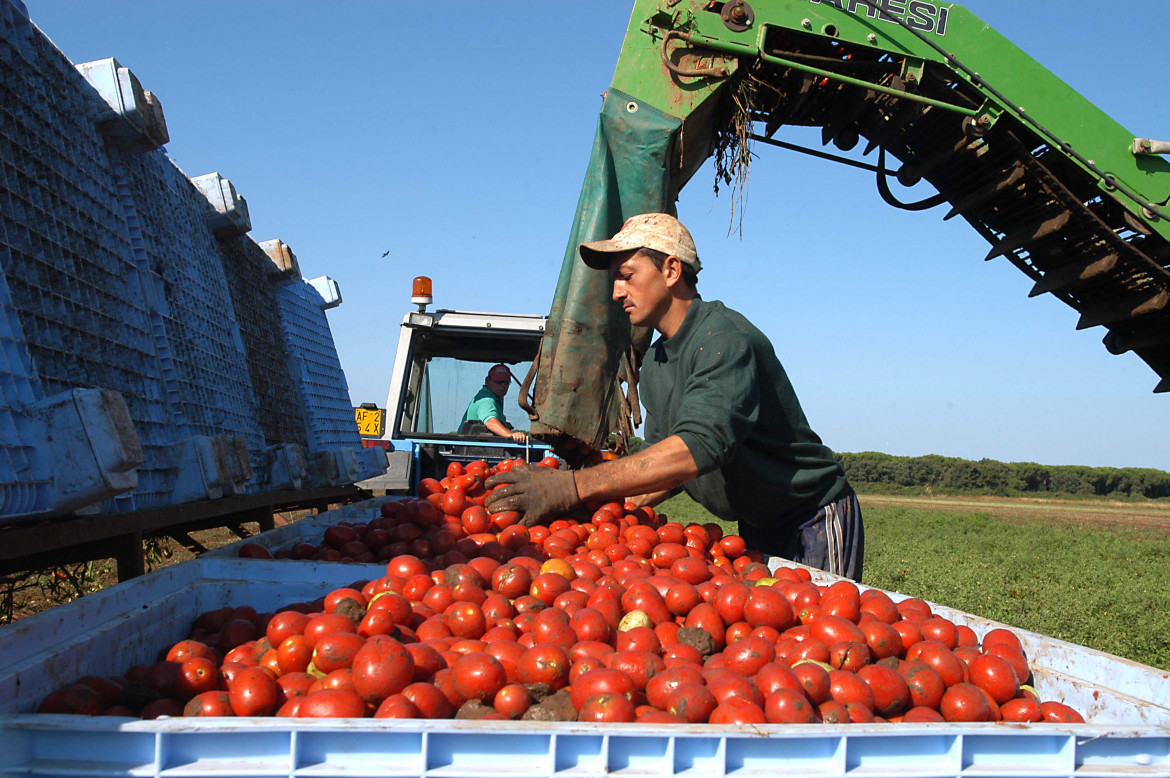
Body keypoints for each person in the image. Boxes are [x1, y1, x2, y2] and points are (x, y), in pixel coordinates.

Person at [486, 213, 864, 579]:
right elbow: (665, 464)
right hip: (757, 520)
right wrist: (595, 509)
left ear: (670, 270)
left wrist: (573, 487)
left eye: (626, 276)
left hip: (810, 516)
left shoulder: (724, 340)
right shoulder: (657, 361)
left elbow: (695, 448)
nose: (617, 292)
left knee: (819, 629)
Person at [461, 364, 527, 443]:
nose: (503, 386)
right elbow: (491, 422)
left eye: (506, 383)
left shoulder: (496, 398)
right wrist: (512, 435)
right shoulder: (486, 400)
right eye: (499, 382)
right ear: (487, 380)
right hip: (468, 449)